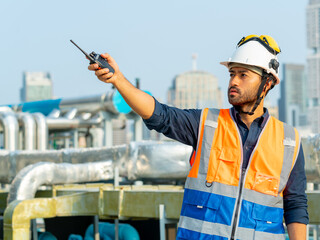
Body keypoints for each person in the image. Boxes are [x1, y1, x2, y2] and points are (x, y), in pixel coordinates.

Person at [88, 34, 308, 240]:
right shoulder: (206, 123)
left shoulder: (289, 141)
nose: (234, 81)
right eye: (232, 74)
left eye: (243, 75)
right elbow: (159, 114)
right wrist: (118, 80)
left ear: (267, 83)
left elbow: (296, 204)